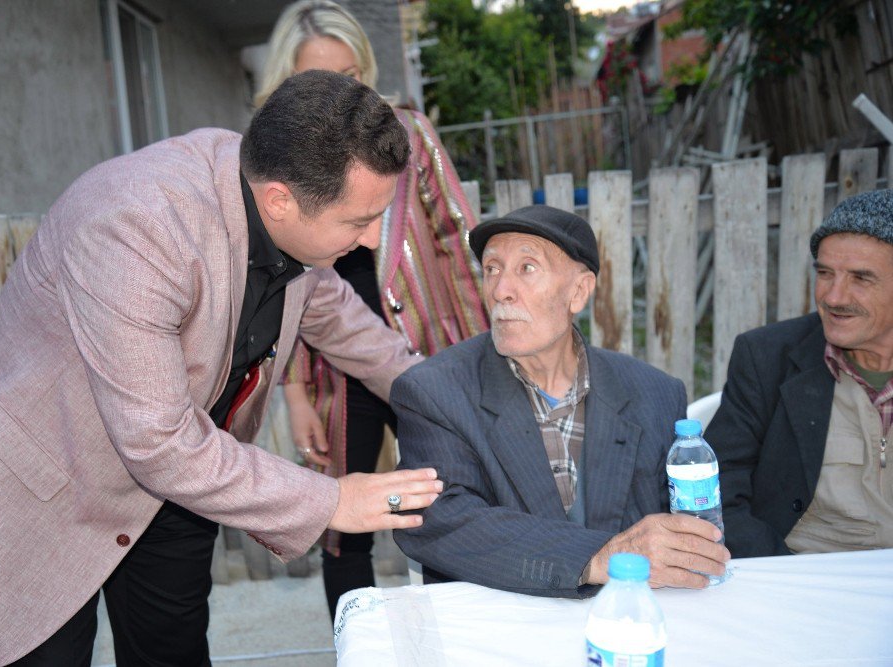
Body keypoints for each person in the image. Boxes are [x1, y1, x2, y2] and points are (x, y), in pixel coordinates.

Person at [0, 70, 444, 667]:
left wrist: (447, 402)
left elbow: (345, 325)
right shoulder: (137, 226)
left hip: (184, 485)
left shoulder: (279, 196)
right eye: (358, 222)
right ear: (280, 200)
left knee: (172, 653)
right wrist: (332, 501)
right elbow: (158, 443)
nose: (367, 243)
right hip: (51, 481)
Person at [255, 0, 490, 617]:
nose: (341, 95)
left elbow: (456, 241)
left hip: (427, 357)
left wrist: (481, 352)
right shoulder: (278, 167)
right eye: (320, 81)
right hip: (339, 373)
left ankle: (457, 637)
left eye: (351, 77)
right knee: (344, 527)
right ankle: (355, 643)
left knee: (448, 508)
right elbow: (286, 292)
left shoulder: (406, 135)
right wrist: (298, 394)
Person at [392, 205, 731, 597]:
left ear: (579, 292)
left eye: (527, 267)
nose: (501, 290)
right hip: (502, 625)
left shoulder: (653, 393)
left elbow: (682, 528)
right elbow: (441, 521)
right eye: (492, 269)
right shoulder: (435, 392)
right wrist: (596, 556)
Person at [706, 188, 893, 558]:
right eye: (825, 273)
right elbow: (717, 489)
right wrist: (780, 574)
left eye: (861, 278)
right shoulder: (766, 358)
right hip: (802, 573)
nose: (834, 297)